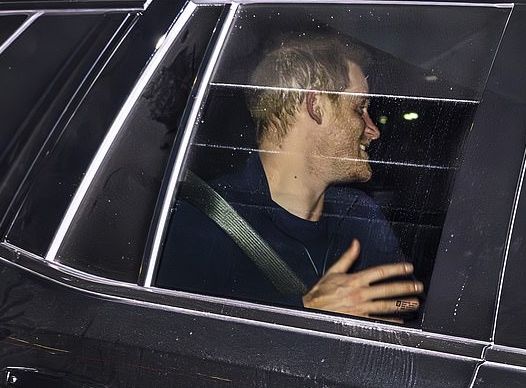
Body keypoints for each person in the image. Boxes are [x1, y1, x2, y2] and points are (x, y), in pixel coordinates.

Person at [157, 34, 423, 322]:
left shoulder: (360, 215)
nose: (373, 130)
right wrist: (304, 310)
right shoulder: (201, 224)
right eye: (359, 109)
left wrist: (390, 311)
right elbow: (179, 345)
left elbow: (407, 307)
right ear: (315, 105)